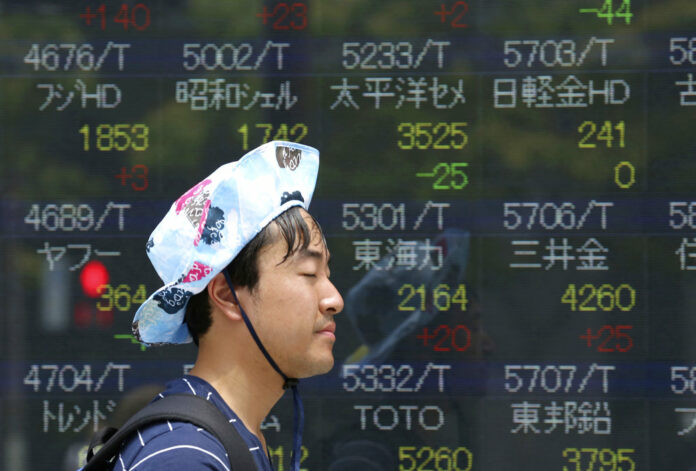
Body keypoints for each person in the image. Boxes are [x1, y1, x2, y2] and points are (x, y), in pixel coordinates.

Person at [113, 141, 343, 470]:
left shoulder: (218, 438)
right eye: (308, 273)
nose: (334, 299)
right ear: (225, 294)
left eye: (327, 274)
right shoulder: (186, 455)